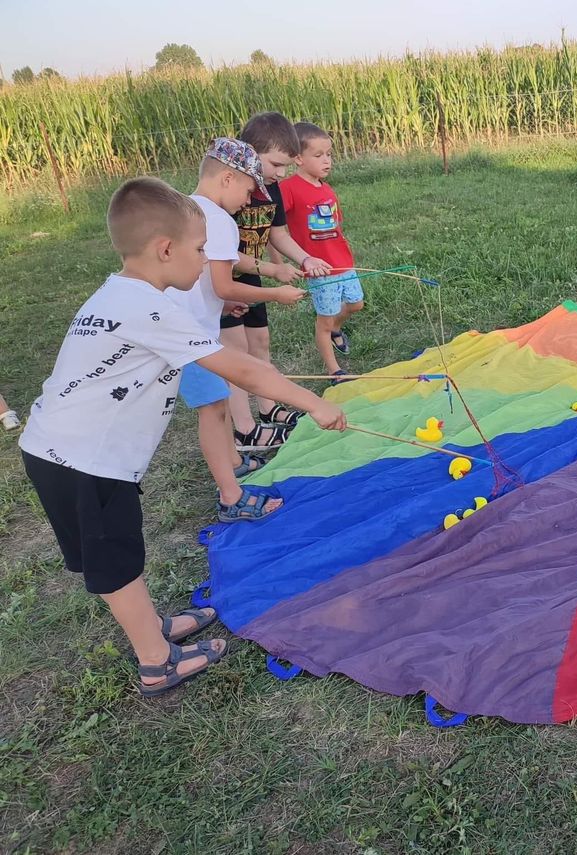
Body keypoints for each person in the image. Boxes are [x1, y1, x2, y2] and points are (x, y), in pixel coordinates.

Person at [19, 177, 346, 695]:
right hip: (82, 461)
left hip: (63, 451)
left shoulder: (128, 296)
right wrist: (317, 404)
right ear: (165, 249)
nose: (205, 261)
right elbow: (246, 371)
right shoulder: (146, 310)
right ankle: (156, 661)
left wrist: (224, 309)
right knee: (117, 563)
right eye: (201, 250)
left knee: (123, 553)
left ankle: (153, 628)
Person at [166, 138, 306, 518]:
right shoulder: (220, 220)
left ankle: (234, 460)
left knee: (219, 400)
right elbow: (224, 282)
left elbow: (208, 275)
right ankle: (231, 494)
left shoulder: (187, 209)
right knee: (213, 409)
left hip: (185, 327)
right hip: (186, 337)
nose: (249, 201)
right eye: (248, 189)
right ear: (228, 178)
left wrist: (223, 300)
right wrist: (275, 294)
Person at [225, 112, 333, 442]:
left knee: (260, 343)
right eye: (275, 164)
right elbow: (223, 255)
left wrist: (305, 257)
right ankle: (245, 429)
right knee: (236, 353)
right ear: (249, 152)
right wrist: (274, 270)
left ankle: (268, 407)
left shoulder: (272, 190)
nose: (282, 174)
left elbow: (279, 234)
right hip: (223, 283)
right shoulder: (230, 193)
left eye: (287, 166)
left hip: (251, 275)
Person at [279, 122, 363, 381]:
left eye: (329, 154)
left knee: (356, 304)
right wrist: (279, 261)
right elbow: (276, 228)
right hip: (319, 268)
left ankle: (336, 328)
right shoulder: (289, 188)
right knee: (323, 321)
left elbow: (335, 226)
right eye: (318, 156)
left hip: (342, 261)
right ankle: (333, 370)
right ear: (298, 158)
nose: (326, 161)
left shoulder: (325, 188)